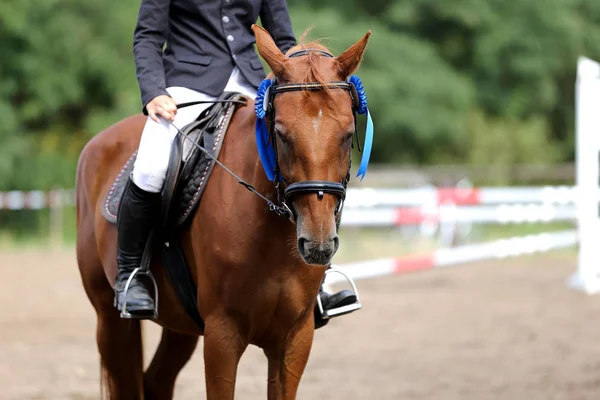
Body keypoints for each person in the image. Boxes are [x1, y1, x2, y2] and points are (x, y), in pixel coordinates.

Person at [114, 0, 358, 322]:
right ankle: (132, 274)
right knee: (152, 166)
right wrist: (153, 92)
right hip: (187, 86)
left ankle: (318, 279)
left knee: (307, 157)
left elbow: (285, 41)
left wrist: (302, 82)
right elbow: (147, 36)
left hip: (254, 84)